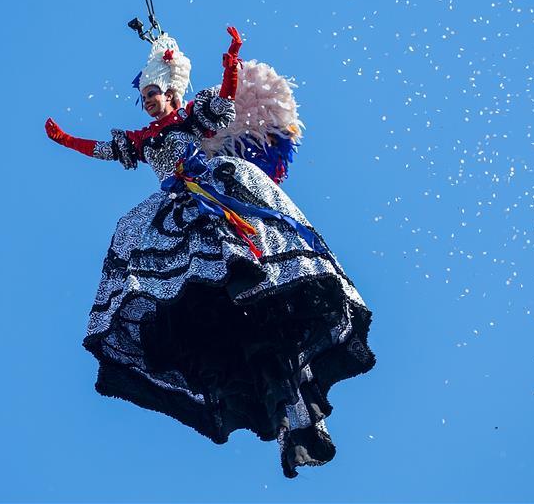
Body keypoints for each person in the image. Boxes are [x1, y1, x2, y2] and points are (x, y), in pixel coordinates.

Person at [44, 27, 376, 479]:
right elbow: (103, 149)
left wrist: (231, 59)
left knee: (224, 223)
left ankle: (247, 270)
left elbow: (227, 96)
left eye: (154, 94)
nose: (148, 102)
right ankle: (221, 290)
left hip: (210, 188)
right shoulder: (145, 138)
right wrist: (66, 140)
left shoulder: (191, 119)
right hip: (180, 200)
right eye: (144, 97)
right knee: (138, 231)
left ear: (172, 93)